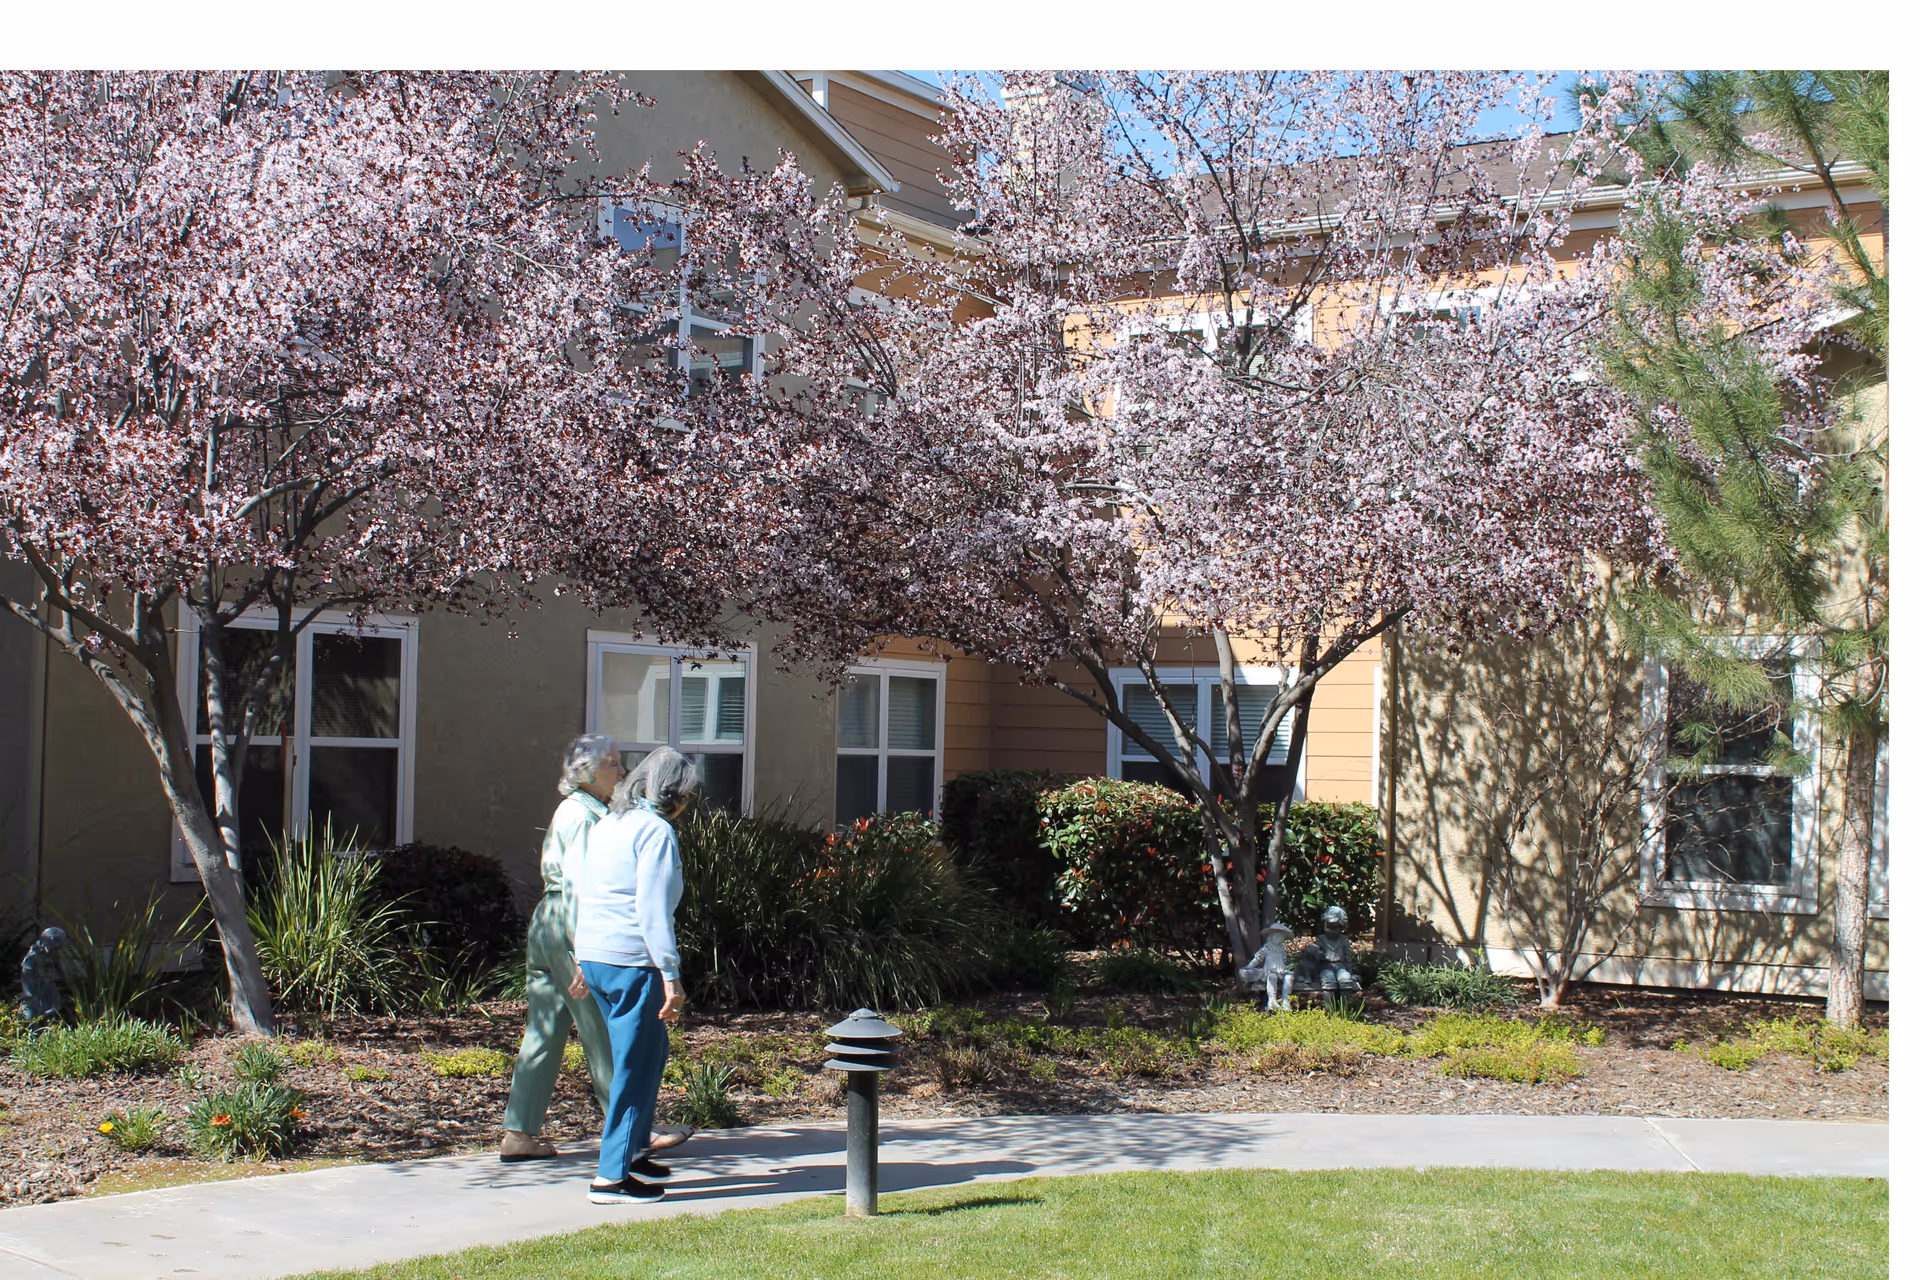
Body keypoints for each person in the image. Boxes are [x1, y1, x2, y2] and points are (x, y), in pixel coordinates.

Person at [500, 735, 689, 1162]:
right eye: (613, 763)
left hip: (547, 925)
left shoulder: (575, 811)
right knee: (604, 1030)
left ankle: (519, 1131)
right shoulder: (587, 817)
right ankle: (630, 1135)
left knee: (544, 1031)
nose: (622, 772)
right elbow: (582, 887)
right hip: (573, 927)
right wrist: (581, 952)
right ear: (586, 771)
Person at [573, 746, 698, 1204]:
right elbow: (652, 911)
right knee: (635, 1067)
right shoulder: (656, 832)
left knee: (650, 1052)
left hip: (598, 957)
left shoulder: (611, 823)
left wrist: (580, 956)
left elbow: (586, 890)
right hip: (632, 963)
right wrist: (671, 975)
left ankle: (635, 1148)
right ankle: (610, 1179)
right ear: (676, 795)